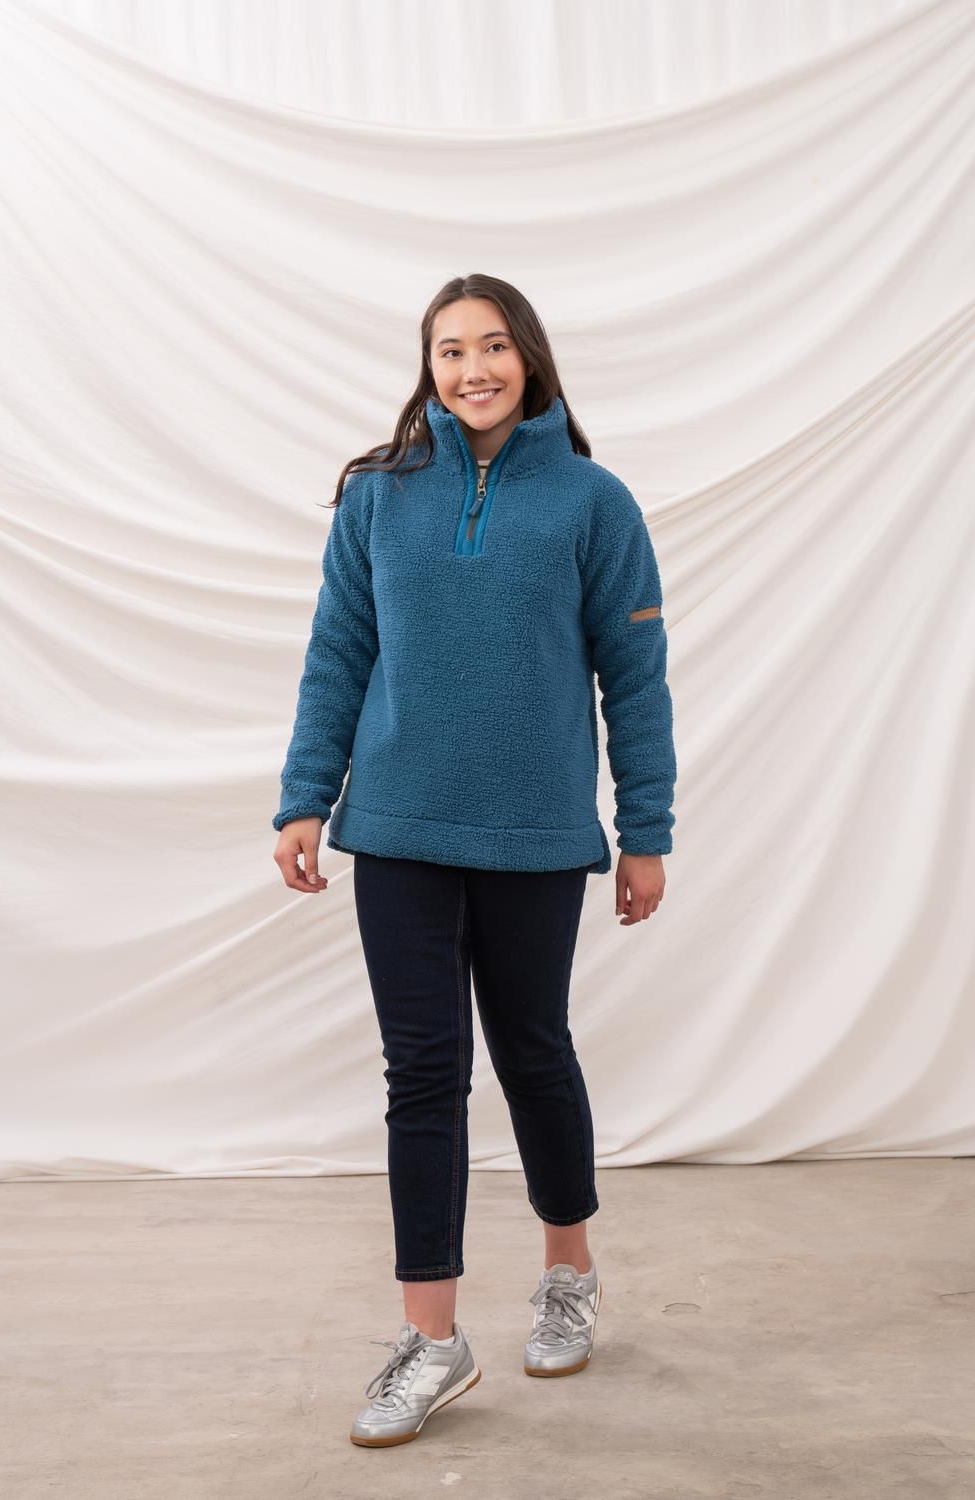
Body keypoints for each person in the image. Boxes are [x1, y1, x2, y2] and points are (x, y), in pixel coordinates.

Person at [272, 273, 677, 1447]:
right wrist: (305, 799)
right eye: (449, 351)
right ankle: (433, 1341)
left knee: (534, 1051)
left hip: (536, 831)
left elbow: (634, 680)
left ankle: (568, 1272)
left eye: (492, 347)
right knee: (422, 1074)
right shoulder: (378, 498)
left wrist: (645, 830)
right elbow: (336, 653)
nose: (472, 370)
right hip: (397, 825)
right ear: (429, 369)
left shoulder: (594, 503)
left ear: (529, 358)